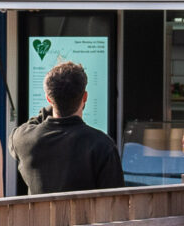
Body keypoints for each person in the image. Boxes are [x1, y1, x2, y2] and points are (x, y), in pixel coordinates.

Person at [11, 60, 123, 195]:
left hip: (39, 217)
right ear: (85, 97)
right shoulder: (103, 145)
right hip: (86, 217)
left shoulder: (24, 139)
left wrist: (52, 106)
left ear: (48, 98)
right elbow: (115, 202)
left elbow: (28, 126)